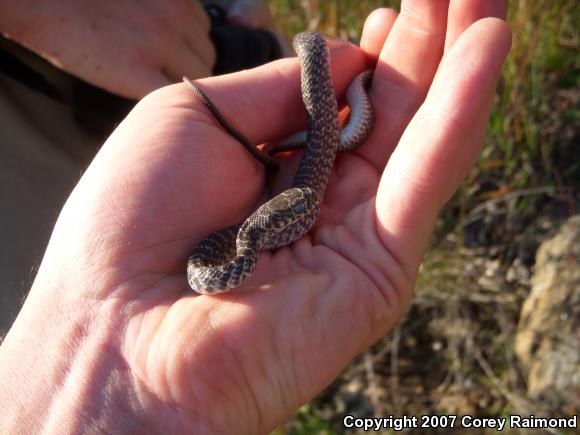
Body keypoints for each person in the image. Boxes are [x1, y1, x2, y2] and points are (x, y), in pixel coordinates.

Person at [0, 1, 511, 433]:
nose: (306, 212)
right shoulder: (229, 257)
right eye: (295, 216)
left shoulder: (261, 227)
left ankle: (311, 56)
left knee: (327, 99)